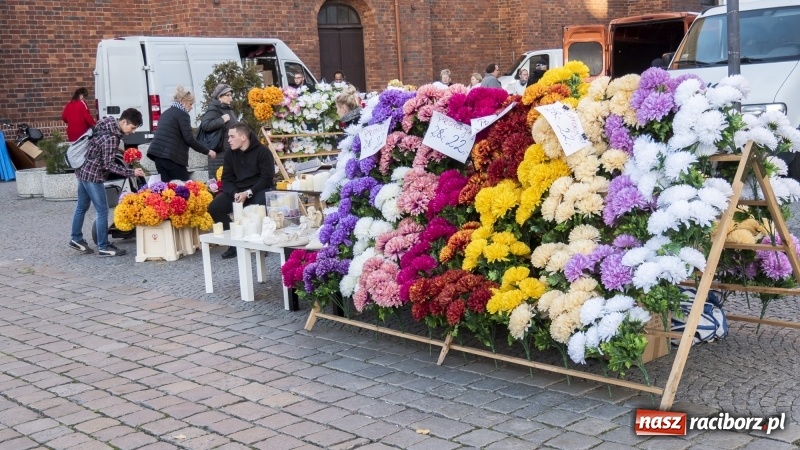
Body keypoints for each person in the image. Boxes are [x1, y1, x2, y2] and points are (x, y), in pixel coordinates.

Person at [69, 108, 145, 257]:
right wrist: (132, 172)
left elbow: (99, 145)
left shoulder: (107, 122)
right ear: (123, 122)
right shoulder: (112, 137)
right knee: (102, 210)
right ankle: (103, 246)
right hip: (93, 175)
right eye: (133, 127)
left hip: (82, 169)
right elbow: (108, 164)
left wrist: (121, 151)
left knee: (82, 206)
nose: (133, 131)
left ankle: (76, 238)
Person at [208, 123, 275, 259]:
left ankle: (260, 244)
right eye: (228, 137)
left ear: (243, 137)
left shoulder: (263, 152)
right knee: (215, 207)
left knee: (258, 205)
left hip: (258, 189)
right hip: (238, 191)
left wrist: (248, 192)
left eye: (232, 137)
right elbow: (226, 179)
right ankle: (234, 243)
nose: (229, 140)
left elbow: (266, 179)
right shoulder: (230, 155)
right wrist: (234, 193)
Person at [146, 86, 215, 182]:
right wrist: (207, 151)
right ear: (183, 101)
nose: (191, 107)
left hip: (158, 156)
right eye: (190, 104)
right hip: (172, 158)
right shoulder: (183, 114)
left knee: (167, 190)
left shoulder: (166, 113)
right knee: (184, 187)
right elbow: (189, 138)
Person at [200, 83, 237, 179]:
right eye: (228, 95)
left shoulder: (227, 109)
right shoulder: (214, 109)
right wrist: (222, 120)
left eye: (231, 95)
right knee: (219, 182)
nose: (231, 98)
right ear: (219, 97)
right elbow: (205, 125)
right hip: (219, 154)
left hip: (228, 152)